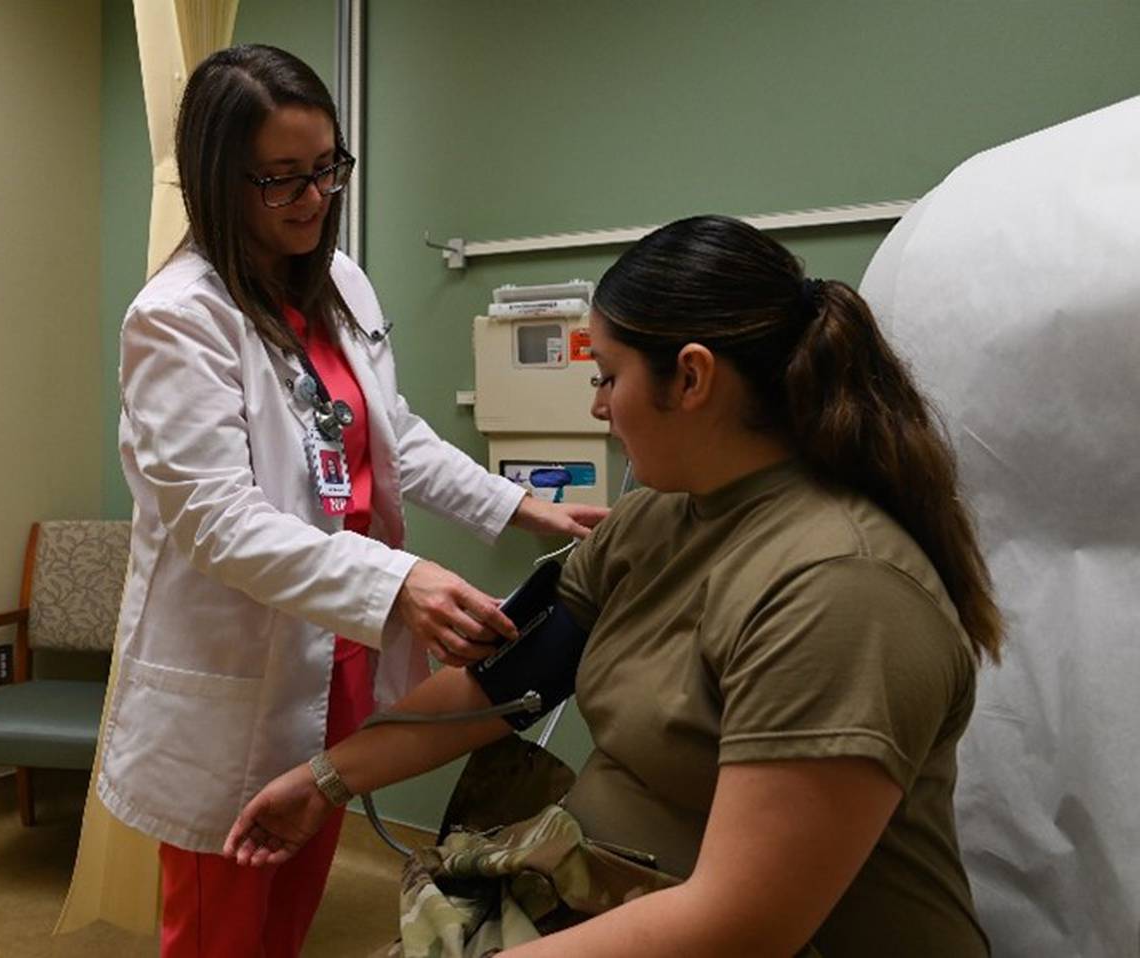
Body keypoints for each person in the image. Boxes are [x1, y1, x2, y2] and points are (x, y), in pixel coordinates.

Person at [226, 215, 1004, 956]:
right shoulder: (657, 519)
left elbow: (741, 923)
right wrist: (322, 780)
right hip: (598, 893)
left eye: (608, 376)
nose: (599, 406)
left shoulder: (842, 592)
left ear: (692, 377)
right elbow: (503, 682)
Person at [93, 44, 606, 958]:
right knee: (221, 930)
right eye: (280, 181)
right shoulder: (177, 317)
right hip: (242, 679)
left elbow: (389, 436)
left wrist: (526, 509)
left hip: (339, 664)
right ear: (219, 181)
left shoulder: (339, 285)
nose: (313, 200)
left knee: (288, 914)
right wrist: (399, 581)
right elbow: (216, 521)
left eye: (326, 169)